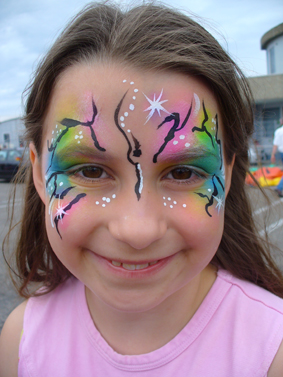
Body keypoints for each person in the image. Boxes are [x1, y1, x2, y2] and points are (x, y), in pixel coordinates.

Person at [1, 3, 283, 376]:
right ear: (38, 173)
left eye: (182, 172)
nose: (137, 231)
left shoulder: (272, 351)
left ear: (227, 176)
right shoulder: (22, 343)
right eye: (89, 170)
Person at [271, 118, 283, 197]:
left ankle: (279, 187)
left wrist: (273, 154)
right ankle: (279, 187)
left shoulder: (278, 131)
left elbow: (275, 145)